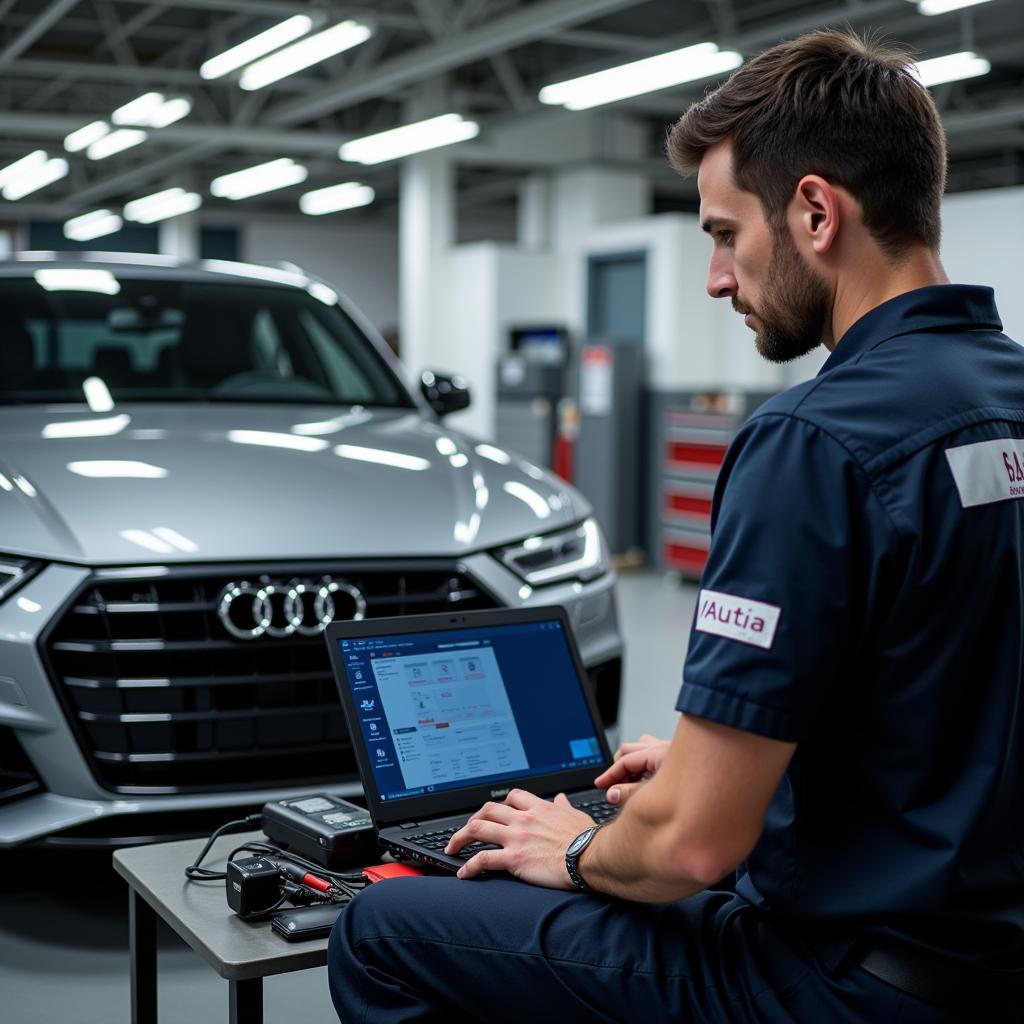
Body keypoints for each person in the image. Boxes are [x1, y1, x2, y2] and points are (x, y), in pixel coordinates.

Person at [327, 29, 1024, 1023]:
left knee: (385, 931)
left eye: (722, 233)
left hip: (840, 984)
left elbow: (692, 848)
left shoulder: (812, 440)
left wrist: (572, 844)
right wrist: (725, 763)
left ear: (815, 212)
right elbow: (951, 685)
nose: (714, 276)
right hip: (984, 962)